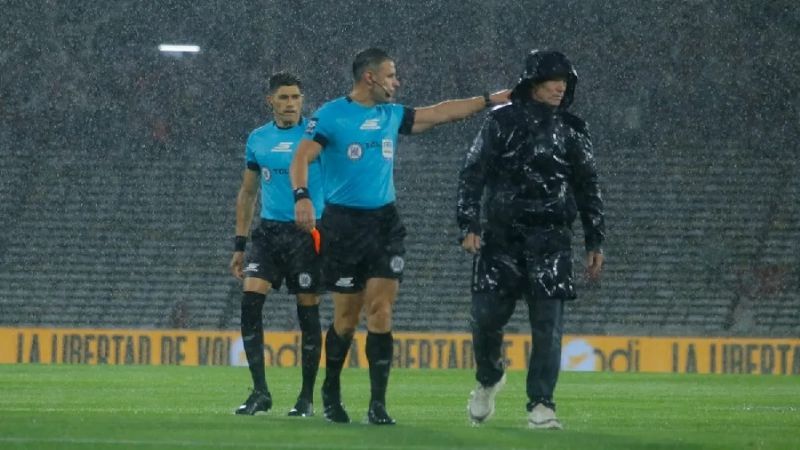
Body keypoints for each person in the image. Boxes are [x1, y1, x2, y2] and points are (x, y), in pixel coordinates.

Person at [291, 48, 509, 425]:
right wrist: (302, 197)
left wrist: (489, 100)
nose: (398, 82)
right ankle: (331, 389)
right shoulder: (331, 116)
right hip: (343, 226)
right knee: (345, 320)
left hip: (384, 225)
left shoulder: (391, 116)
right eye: (392, 75)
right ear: (370, 78)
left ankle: (377, 405)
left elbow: (441, 112)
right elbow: (300, 158)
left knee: (381, 311)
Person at [456, 50, 605, 430]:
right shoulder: (499, 122)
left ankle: (541, 404)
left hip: (551, 240)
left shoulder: (573, 128)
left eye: (565, 81)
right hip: (501, 239)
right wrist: (468, 221)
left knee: (548, 328)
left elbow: (588, 187)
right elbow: (473, 173)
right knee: (485, 320)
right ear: (532, 82)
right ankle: (489, 377)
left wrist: (595, 240)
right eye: (553, 79)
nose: (561, 87)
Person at [229, 72, 325, 417]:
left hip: (307, 234)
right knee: (250, 303)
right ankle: (260, 392)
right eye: (283, 98)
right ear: (270, 101)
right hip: (269, 233)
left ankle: (306, 398)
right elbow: (248, 192)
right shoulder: (257, 139)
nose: (290, 104)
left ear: (302, 100)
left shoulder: (316, 135)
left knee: (308, 312)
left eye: (295, 97)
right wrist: (240, 244)